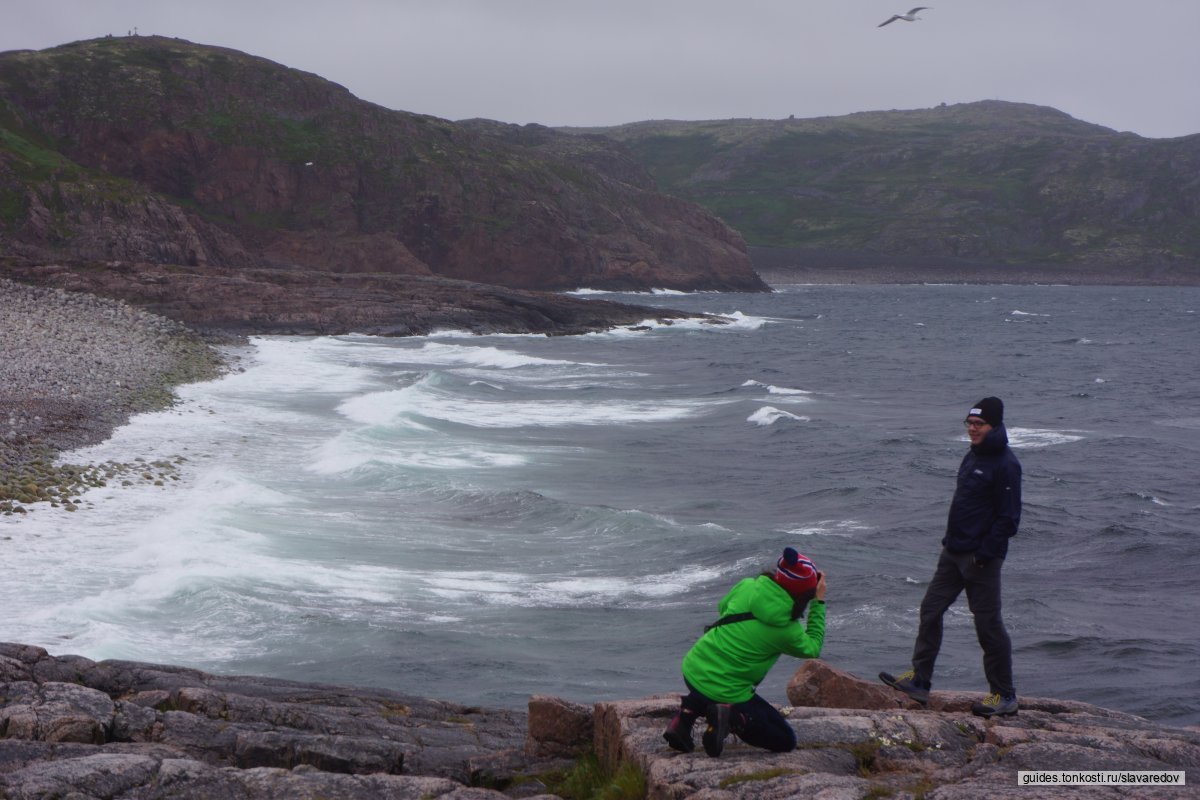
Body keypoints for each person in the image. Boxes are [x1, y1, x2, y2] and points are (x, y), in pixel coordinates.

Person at [880, 396, 1022, 718]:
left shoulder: (1006, 464)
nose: (972, 429)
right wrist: (951, 543)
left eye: (979, 425)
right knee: (931, 609)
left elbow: (1009, 520)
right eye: (969, 424)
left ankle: (1004, 695)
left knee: (988, 626)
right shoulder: (972, 456)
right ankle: (920, 681)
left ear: (994, 426)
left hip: (982, 560)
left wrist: (983, 555)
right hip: (953, 553)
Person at [663, 547, 827, 757]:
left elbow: (723, 608)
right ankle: (732, 718)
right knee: (785, 739)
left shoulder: (747, 586)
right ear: (804, 594)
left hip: (694, 669)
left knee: (710, 686)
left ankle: (685, 717)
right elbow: (813, 647)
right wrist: (819, 602)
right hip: (727, 691)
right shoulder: (787, 630)